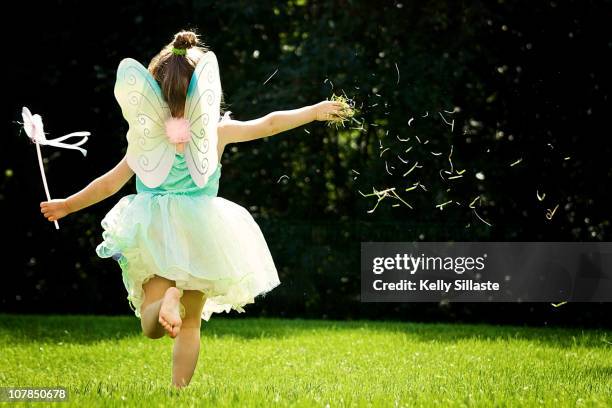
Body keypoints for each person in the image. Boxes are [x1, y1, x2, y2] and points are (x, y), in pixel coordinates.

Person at [39, 30, 347, 388]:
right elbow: (269, 123)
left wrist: (67, 205)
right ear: (205, 94)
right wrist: (313, 112)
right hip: (203, 232)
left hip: (154, 231)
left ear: (154, 93)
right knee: (190, 324)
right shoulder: (217, 131)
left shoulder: (146, 142)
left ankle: (167, 299)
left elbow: (109, 183)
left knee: (151, 327)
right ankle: (178, 391)